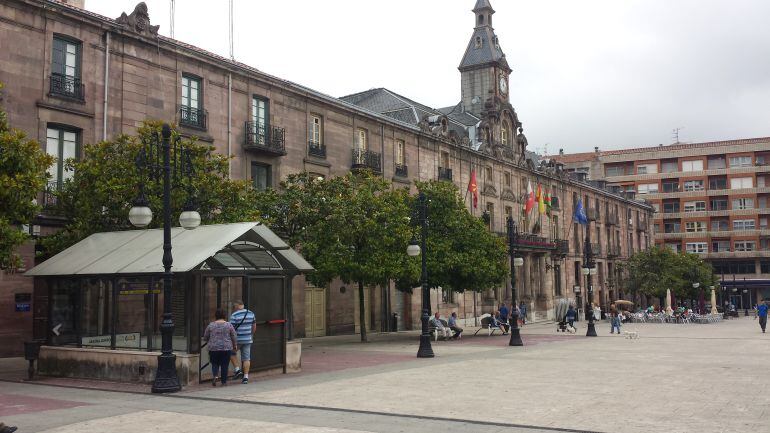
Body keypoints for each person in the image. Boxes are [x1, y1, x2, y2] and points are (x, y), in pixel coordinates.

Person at [203, 308, 238, 387]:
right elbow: (234, 336)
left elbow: (205, 337)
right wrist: (235, 344)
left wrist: (209, 341)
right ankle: (223, 382)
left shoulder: (211, 325)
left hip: (213, 348)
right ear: (224, 316)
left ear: (216, 316)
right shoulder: (229, 325)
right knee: (224, 365)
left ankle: (215, 376)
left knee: (214, 363)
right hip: (226, 348)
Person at [229, 300, 256, 384]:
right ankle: (245, 377)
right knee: (246, 358)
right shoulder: (251, 313)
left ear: (236, 306)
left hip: (237, 340)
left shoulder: (234, 315)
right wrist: (250, 335)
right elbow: (254, 327)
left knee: (231, 353)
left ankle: (237, 370)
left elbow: (231, 330)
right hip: (248, 339)